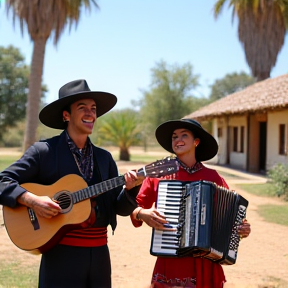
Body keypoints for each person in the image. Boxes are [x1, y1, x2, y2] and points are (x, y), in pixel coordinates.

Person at [0, 79, 144, 288]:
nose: (90, 113)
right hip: (60, 255)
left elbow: (118, 208)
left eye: (93, 109)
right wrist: (31, 200)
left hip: (100, 255)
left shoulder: (104, 158)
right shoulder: (43, 152)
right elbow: (3, 180)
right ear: (66, 115)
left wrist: (132, 189)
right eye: (82, 108)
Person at [131, 118, 251, 288]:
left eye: (184, 135)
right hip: (170, 259)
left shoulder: (213, 177)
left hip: (205, 263)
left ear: (196, 142)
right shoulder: (157, 174)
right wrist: (142, 213)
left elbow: (230, 216)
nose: (177, 140)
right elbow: (133, 206)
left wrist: (242, 229)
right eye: (174, 137)